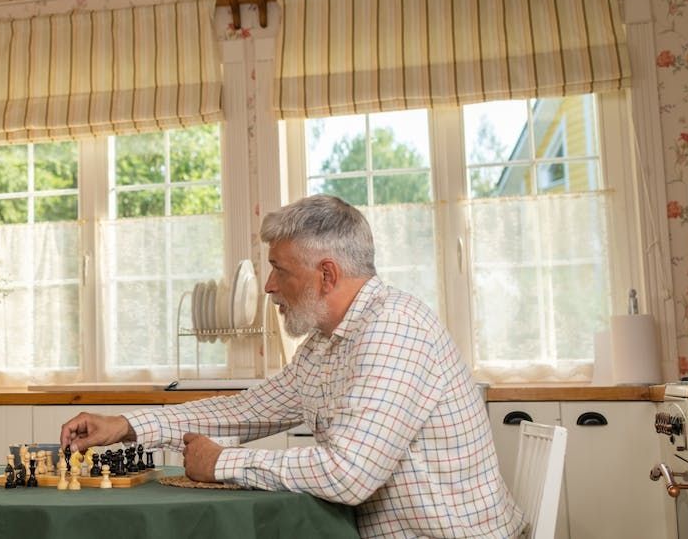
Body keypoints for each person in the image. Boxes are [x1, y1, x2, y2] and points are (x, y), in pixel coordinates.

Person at [60, 195, 523, 538]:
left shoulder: (393, 329)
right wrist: (124, 425)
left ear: (327, 275)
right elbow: (248, 410)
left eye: (280, 269)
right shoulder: (327, 341)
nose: (267, 286)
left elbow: (348, 474)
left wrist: (223, 463)